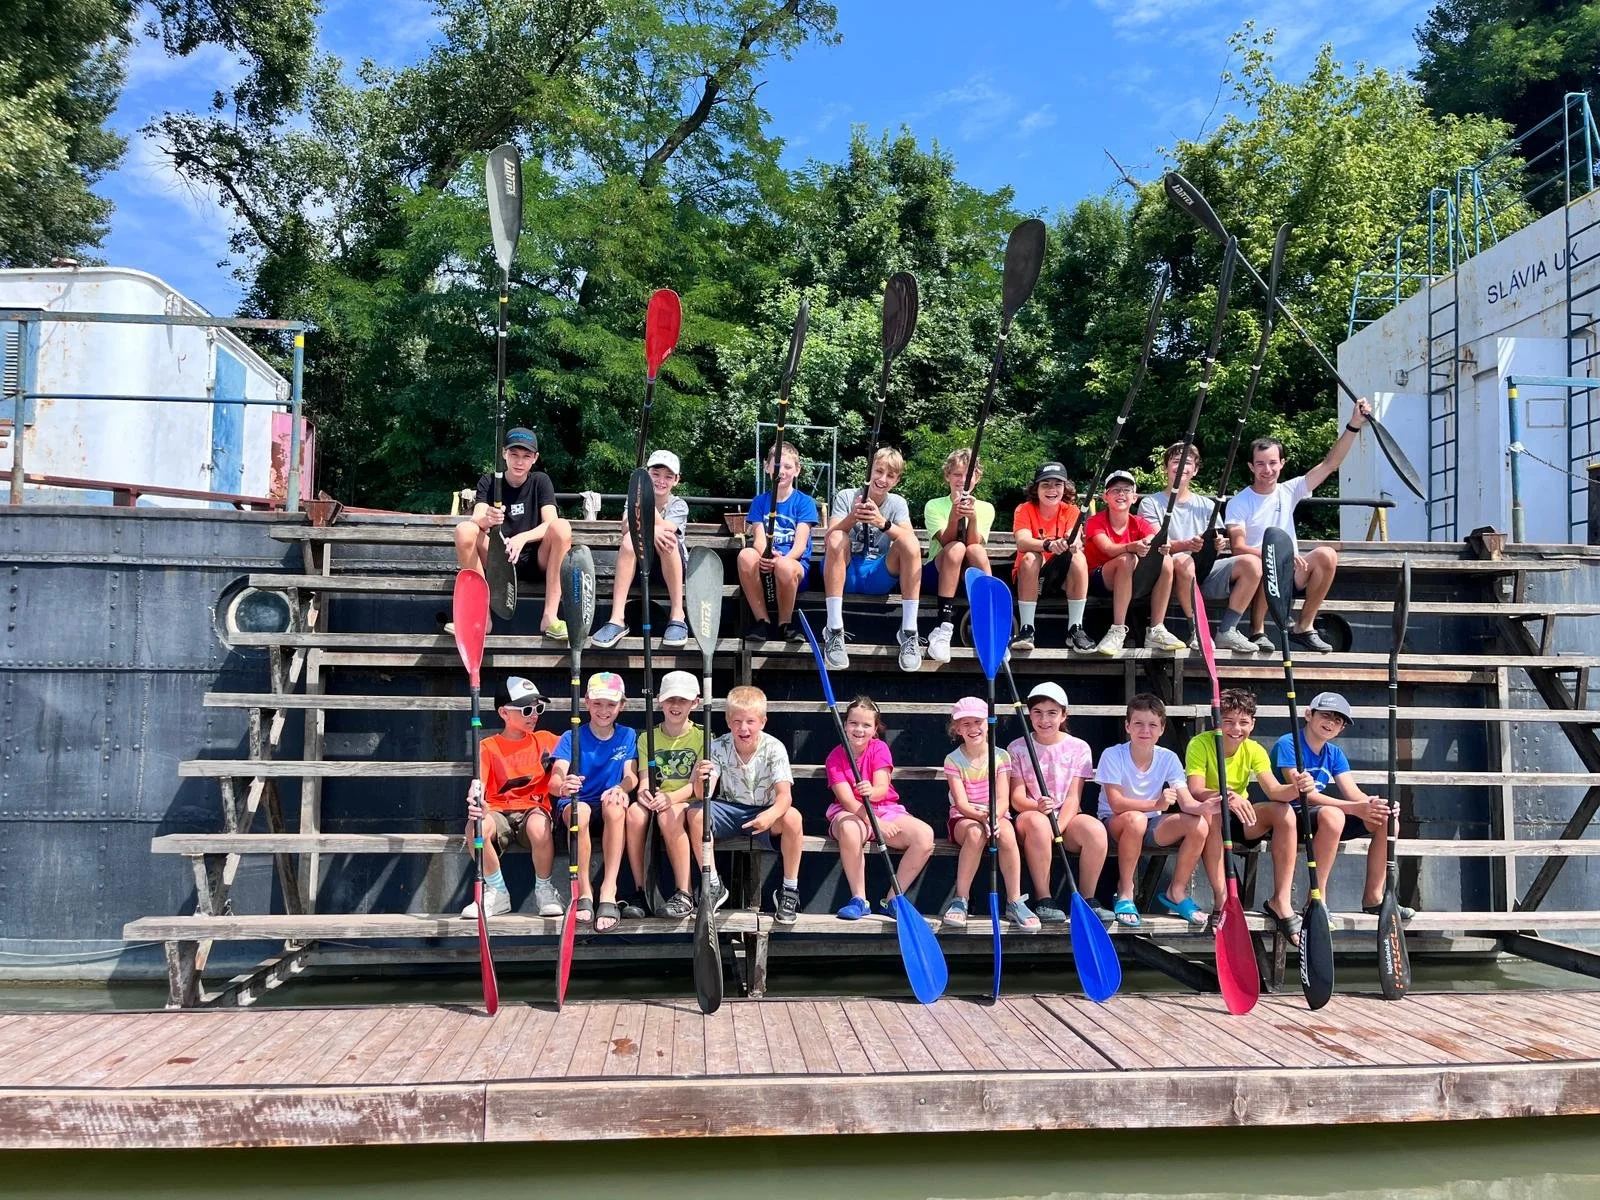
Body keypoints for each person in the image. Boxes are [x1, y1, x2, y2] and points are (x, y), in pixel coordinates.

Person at [1224, 397, 1376, 653]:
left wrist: (1354, 424)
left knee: (1326, 555)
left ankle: (1304, 626)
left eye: (1273, 463)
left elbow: (1331, 464)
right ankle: (1257, 630)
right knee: (1266, 562)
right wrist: (1277, 555)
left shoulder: (1289, 490)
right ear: (1251, 466)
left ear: (1282, 464)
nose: (1267, 469)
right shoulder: (1240, 502)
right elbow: (1238, 547)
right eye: (1260, 464)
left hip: (1290, 572)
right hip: (1258, 574)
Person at [1271, 691, 1410, 918]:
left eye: (1338, 720)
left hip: (1324, 818)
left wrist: (1377, 804)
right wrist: (1354, 808)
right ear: (1309, 714)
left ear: (1341, 729)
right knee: (1333, 815)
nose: (1331, 723)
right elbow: (1305, 794)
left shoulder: (1335, 753)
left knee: (1388, 821)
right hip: (1291, 817)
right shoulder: (1289, 743)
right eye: (1326, 715)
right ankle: (1317, 898)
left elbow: (1353, 792)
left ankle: (1373, 898)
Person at [1184, 687, 1302, 940]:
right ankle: (1222, 899)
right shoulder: (1200, 743)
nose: (1236, 729)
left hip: (1242, 818)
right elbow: (1195, 789)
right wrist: (1225, 796)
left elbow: (1274, 791)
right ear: (1217, 722)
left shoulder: (1255, 749)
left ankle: (1281, 901)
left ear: (1253, 723)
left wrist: (1297, 788)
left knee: (1285, 812)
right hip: (1215, 814)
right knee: (1214, 811)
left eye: (1243, 723)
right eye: (1228, 722)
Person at [695, 685, 807, 925]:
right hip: (727, 809)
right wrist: (699, 778)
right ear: (727, 721)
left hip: (764, 811)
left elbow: (785, 796)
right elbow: (703, 794)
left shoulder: (774, 748)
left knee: (793, 817)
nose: (743, 728)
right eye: (736, 721)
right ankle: (713, 885)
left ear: (763, 722)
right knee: (696, 813)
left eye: (750, 721)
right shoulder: (717, 747)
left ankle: (789, 890)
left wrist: (770, 815)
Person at [1095, 693, 1209, 928]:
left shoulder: (1168, 757)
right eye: (1138, 723)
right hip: (1114, 823)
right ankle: (1125, 892)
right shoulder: (1112, 754)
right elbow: (1116, 803)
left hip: (1150, 824)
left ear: (1162, 729)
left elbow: (1187, 802)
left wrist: (1205, 806)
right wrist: (1156, 805)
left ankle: (1176, 892)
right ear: (1127, 726)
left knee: (1199, 823)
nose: (1145, 730)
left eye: (1152, 725)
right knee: (1136, 820)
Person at [452, 426, 572, 640]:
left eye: (526, 456)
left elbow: (551, 523)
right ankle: (481, 617)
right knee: (464, 530)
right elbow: (476, 518)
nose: (519, 462)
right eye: (514, 454)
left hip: (535, 560)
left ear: (535, 458)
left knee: (562, 527)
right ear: (504, 454)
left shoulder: (540, 481)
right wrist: (488, 518)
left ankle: (550, 617)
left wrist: (522, 538)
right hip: (500, 560)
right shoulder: (489, 481)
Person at [1138, 442, 1259, 652]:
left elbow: (1218, 540)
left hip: (1203, 570)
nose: (1181, 466)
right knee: (1184, 561)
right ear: (1165, 468)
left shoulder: (1208, 505)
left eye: (1187, 463)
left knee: (1252, 564)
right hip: (1169, 575)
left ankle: (1227, 630)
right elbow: (1157, 544)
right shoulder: (1150, 503)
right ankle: (1198, 630)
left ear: (1195, 470)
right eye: (1176, 461)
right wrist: (1186, 545)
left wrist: (1219, 543)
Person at [1005, 682, 1111, 924]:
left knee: (1095, 831)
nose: (1044, 720)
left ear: (1064, 714)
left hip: (1066, 818)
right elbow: (1017, 799)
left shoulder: (1079, 747)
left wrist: (1058, 829)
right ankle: (1044, 899)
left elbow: (1074, 797)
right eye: (1037, 713)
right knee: (1039, 824)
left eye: (1052, 713)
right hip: (1032, 816)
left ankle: (1088, 899)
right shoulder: (1017, 748)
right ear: (1029, 715)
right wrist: (1038, 808)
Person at [460, 675, 563, 919]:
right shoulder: (488, 746)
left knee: (540, 826)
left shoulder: (548, 740)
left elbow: (582, 749)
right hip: (496, 811)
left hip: (534, 811)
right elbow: (478, 785)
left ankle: (544, 889)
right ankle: (496, 891)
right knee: (476, 827)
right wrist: (476, 803)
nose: (534, 714)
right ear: (504, 713)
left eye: (539, 708)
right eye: (527, 709)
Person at [825, 696, 935, 919]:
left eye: (866, 725)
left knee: (925, 836)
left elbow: (882, 789)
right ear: (845, 725)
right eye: (854, 723)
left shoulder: (880, 748)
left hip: (885, 809)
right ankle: (859, 899)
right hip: (851, 813)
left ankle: (893, 899)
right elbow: (848, 801)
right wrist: (877, 824)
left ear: (875, 729)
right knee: (849, 829)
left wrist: (871, 791)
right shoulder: (835, 757)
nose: (859, 729)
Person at [547, 672, 641, 933]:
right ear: (587, 702)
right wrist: (564, 785)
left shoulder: (627, 735)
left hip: (608, 801)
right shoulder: (571, 736)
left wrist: (621, 788)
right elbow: (555, 778)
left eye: (611, 704)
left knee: (615, 803)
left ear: (621, 705)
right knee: (581, 811)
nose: (603, 710)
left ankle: (609, 889)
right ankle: (584, 890)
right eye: (598, 703)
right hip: (578, 803)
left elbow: (631, 776)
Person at [820, 447, 924, 673]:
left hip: (878, 573)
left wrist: (881, 522)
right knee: (838, 536)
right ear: (869, 471)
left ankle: (908, 632)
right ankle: (834, 629)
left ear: (896, 480)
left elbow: (910, 542)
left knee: (910, 542)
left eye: (890, 475)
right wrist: (852, 516)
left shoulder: (897, 503)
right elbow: (829, 539)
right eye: (878, 471)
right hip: (845, 572)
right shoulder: (846, 496)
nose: (882, 479)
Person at [940, 696, 1039, 931]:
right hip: (965, 817)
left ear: (988, 723)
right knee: (975, 834)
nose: (973, 728)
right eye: (965, 724)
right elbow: (961, 803)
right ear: (957, 729)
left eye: (977, 722)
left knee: (1006, 834)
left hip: (996, 815)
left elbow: (1003, 799)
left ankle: (1014, 900)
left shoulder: (1002, 756)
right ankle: (960, 899)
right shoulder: (953, 760)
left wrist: (994, 817)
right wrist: (981, 817)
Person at [591, 449, 690, 649]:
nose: (661, 481)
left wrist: (645, 503)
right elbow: (626, 527)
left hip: (667, 572)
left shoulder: (679, 505)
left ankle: (677, 614)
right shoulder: (632, 499)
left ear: (676, 480)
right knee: (629, 540)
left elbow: (666, 530)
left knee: (668, 540)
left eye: (668, 477)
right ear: (647, 474)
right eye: (655, 475)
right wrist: (640, 502)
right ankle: (616, 618)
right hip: (637, 568)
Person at [1083, 470, 1187, 657]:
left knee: (1165, 560)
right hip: (1098, 579)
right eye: (1115, 490)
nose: (1121, 494)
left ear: (1134, 497)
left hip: (1130, 579)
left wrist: (1159, 546)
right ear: (1105, 497)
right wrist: (1134, 546)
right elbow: (1108, 549)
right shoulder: (1094, 521)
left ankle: (1156, 628)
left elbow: (1155, 539)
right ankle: (1117, 629)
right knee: (1126, 558)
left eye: (1126, 490)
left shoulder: (1140, 522)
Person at [638, 670, 706, 918]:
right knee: (636, 814)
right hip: (658, 800)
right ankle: (641, 890)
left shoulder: (704, 737)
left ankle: (685, 891)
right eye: (670, 699)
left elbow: (695, 786)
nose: (675, 705)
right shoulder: (647, 738)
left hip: (687, 802)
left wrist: (670, 799)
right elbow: (644, 781)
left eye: (683, 700)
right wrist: (645, 794)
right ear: (659, 700)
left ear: (695, 703)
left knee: (670, 814)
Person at [737, 440, 818, 643]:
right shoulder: (759, 502)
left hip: (793, 567)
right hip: (765, 564)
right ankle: (761, 621)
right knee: (746, 555)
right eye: (776, 466)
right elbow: (758, 539)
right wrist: (766, 558)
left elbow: (799, 546)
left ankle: (785, 623)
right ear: (766, 467)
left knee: (784, 565)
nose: (781, 471)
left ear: (797, 470)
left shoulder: (805, 502)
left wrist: (780, 561)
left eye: (787, 467)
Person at [922, 448, 995, 664]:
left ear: (977, 478)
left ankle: (989, 622)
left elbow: (974, 543)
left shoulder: (986, 508)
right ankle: (943, 627)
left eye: (968, 475)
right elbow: (945, 542)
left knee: (975, 550)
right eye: (957, 474)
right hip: (937, 574)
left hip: (967, 576)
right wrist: (954, 517)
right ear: (948, 476)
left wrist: (972, 519)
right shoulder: (934, 505)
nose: (962, 480)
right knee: (956, 548)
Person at [1011, 461, 1086, 652]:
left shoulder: (1072, 510)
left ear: (1065, 488)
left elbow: (1075, 537)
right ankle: (1027, 629)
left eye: (1057, 485)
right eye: (1046, 484)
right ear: (1036, 489)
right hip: (1031, 576)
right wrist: (1049, 545)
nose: (1052, 490)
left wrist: (1071, 541)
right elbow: (1022, 541)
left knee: (1078, 557)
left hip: (1059, 579)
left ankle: (1075, 629)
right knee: (1030, 557)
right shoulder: (1024, 509)